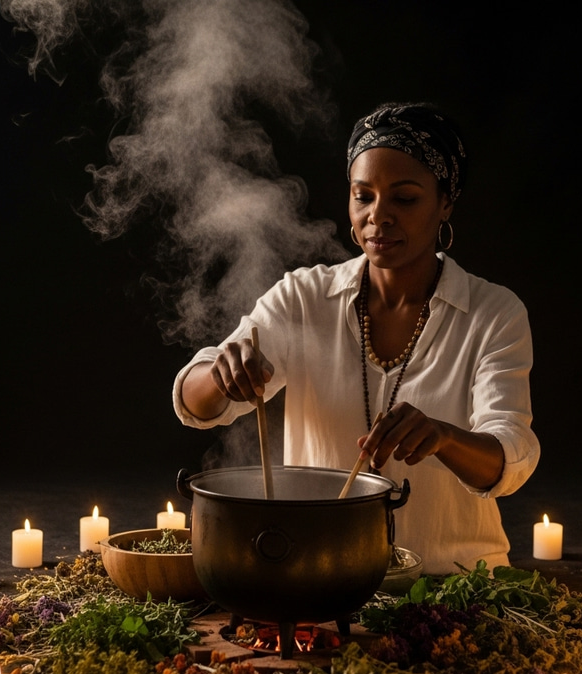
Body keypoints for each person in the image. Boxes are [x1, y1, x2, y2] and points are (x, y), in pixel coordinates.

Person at [173, 102, 540, 575]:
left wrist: (443, 437)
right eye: (363, 196)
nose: (378, 217)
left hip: (456, 587)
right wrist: (222, 374)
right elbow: (194, 404)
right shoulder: (303, 297)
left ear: (445, 201)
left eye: (404, 199)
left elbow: (509, 459)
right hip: (317, 579)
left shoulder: (494, 313)